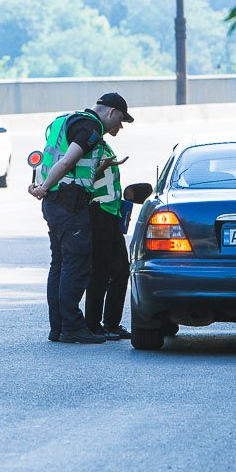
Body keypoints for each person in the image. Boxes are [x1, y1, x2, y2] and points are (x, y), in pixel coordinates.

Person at [29, 93, 134, 344]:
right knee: (76, 267)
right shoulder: (90, 127)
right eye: (121, 118)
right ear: (111, 112)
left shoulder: (66, 121)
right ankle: (73, 327)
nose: (119, 125)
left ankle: (59, 328)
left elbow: (58, 162)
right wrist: (43, 188)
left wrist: (41, 186)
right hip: (69, 204)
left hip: (56, 202)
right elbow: (66, 162)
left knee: (60, 265)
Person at [84, 135, 132, 340]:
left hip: (112, 213)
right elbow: (82, 181)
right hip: (98, 212)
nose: (120, 127)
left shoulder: (104, 145)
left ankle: (112, 324)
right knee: (100, 271)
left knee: (121, 270)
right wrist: (103, 166)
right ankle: (93, 325)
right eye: (119, 120)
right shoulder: (87, 146)